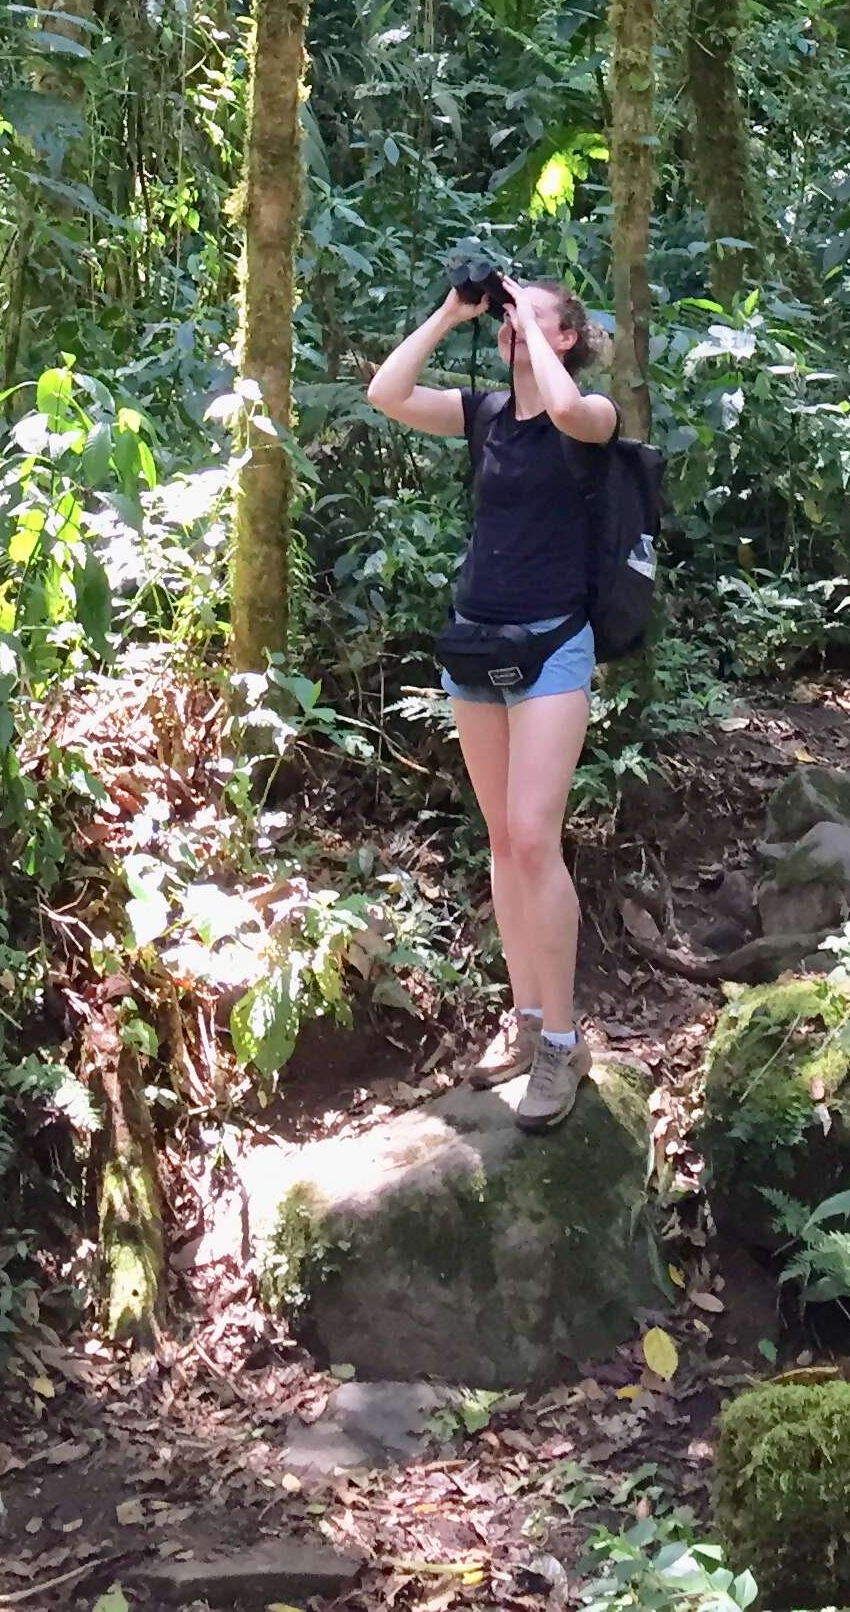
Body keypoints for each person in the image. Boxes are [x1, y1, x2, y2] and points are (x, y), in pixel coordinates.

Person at [365, 270, 616, 1131]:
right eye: (508, 320)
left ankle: (562, 1043)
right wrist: (451, 312)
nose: (511, 327)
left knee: (538, 842)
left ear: (568, 337)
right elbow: (386, 393)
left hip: (553, 648)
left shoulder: (590, 421)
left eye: (531, 318)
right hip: (476, 644)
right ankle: (525, 1021)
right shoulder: (481, 416)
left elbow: (575, 411)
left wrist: (534, 334)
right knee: (504, 845)